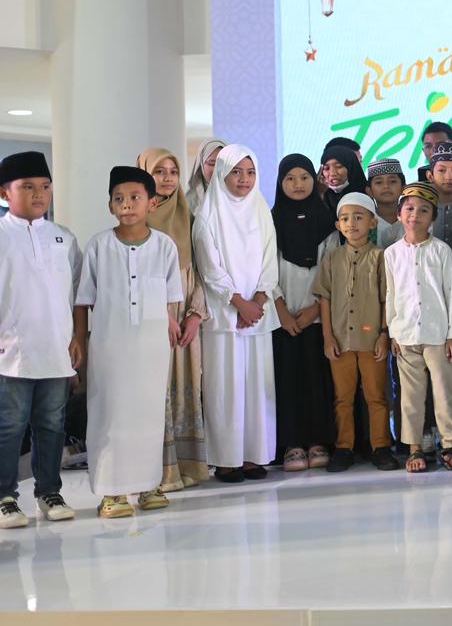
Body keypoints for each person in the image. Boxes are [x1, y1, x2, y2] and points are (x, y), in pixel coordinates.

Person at [74, 167, 184, 518]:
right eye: (118, 198)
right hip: (110, 346)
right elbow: (83, 300)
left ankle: (149, 485)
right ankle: (112, 491)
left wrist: (168, 324)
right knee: (110, 414)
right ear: (110, 206)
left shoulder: (164, 246)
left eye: (135, 197)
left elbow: (169, 298)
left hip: (151, 347)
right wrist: (79, 341)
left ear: (152, 203)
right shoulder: (99, 246)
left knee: (148, 415)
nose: (126, 204)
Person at [0, 152, 80, 528]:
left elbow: (76, 293)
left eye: (45, 186)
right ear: (5, 193)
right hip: (10, 352)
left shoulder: (63, 237)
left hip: (55, 349)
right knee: (10, 427)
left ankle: (49, 492)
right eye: (28, 186)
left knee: (51, 425)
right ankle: (5, 497)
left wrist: (77, 338)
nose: (39, 194)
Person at [193, 144, 280, 483]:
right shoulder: (208, 214)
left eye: (251, 172)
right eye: (236, 172)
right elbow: (210, 267)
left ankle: (253, 456)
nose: (244, 179)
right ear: (221, 174)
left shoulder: (261, 210)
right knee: (225, 388)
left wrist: (257, 299)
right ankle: (226, 460)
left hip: (257, 313)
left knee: (257, 387)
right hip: (224, 315)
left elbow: (270, 259)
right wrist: (239, 303)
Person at [137, 147, 210, 489]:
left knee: (185, 388)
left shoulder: (189, 216)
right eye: (159, 171)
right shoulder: (136, 219)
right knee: (156, 390)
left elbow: (200, 271)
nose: (167, 178)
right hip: (155, 320)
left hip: (186, 319)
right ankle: (158, 472)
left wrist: (195, 315)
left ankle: (187, 467)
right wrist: (164, 315)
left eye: (173, 171)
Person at [384, 182, 452, 472]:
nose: (415, 215)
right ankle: (414, 448)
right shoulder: (391, 254)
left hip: (438, 335)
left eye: (423, 210)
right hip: (405, 334)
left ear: (433, 217)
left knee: (444, 392)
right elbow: (391, 294)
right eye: (409, 208)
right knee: (410, 396)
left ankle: (450, 445)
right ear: (399, 214)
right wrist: (392, 331)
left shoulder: (441, 250)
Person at [313, 192, 395, 473]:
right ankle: (343, 448)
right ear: (338, 225)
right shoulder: (332, 259)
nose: (352, 224)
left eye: (359, 217)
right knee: (343, 398)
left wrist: (384, 334)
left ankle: (381, 447)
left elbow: (387, 298)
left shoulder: (381, 257)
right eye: (345, 219)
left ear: (373, 222)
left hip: (372, 341)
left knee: (376, 396)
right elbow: (324, 299)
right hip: (340, 341)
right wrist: (327, 338)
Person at [270, 154, 336, 472]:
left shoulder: (327, 222)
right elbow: (265, 271)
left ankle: (318, 441)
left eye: (304, 177)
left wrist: (315, 309)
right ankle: (291, 444)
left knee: (316, 381)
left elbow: (331, 270)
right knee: (287, 381)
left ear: (314, 180)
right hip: (282, 319)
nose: (298, 184)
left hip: (317, 317)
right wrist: (281, 309)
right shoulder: (270, 223)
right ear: (280, 183)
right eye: (290, 178)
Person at [365, 158, 406, 247]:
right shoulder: (365, 224)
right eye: (379, 182)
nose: (386, 186)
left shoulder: (412, 220)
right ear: (369, 191)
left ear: (403, 188)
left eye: (392, 181)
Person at [318, 145, 368, 217]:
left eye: (339, 166)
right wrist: (320, 194)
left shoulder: (368, 194)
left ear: (351, 167)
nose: (332, 173)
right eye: (326, 168)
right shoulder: (319, 196)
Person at [187, 138, 226, 213]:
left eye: (221, 163)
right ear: (201, 165)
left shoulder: (239, 194)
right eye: (211, 163)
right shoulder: (189, 202)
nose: (216, 169)